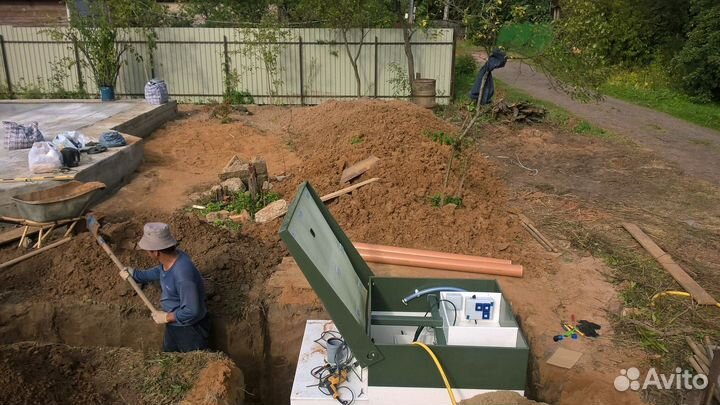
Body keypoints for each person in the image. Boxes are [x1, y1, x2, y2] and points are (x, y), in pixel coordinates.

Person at [120, 222, 209, 352]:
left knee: (191, 367)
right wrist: (135, 274)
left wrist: (166, 317)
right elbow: (161, 271)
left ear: (155, 252)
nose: (146, 253)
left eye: (148, 250)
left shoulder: (183, 275)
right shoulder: (172, 258)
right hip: (175, 325)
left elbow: (192, 311)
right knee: (169, 358)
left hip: (190, 329)